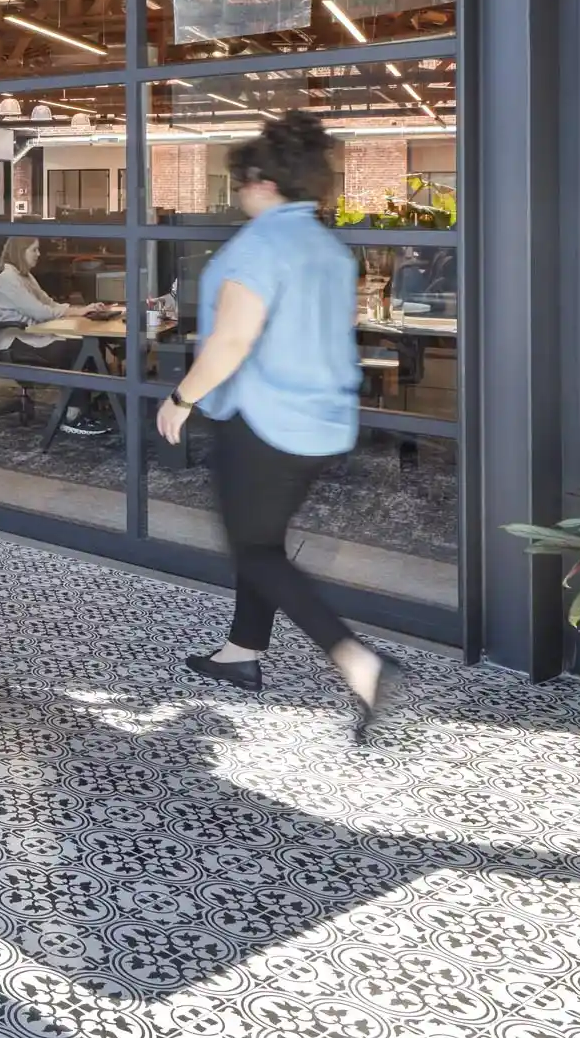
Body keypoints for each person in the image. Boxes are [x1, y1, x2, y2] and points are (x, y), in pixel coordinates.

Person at [155, 111, 406, 741]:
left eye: (239, 183)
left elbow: (234, 339)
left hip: (263, 420)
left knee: (256, 549)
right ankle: (242, 652)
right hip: (321, 422)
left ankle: (360, 662)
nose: (237, 195)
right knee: (262, 538)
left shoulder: (261, 245)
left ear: (263, 181)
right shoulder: (328, 246)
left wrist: (181, 398)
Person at [0, 236, 110, 437]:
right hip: (15, 341)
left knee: (85, 345)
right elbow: (40, 312)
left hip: (34, 335)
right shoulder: (8, 278)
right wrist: (76, 312)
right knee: (74, 349)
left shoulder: (26, 276)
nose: (39, 254)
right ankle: (73, 416)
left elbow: (49, 303)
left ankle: (91, 405)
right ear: (21, 251)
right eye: (34, 250)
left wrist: (80, 309)